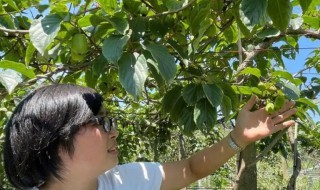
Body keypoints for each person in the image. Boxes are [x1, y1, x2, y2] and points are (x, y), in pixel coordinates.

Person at [3, 84, 297, 190]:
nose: (113, 130)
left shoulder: (128, 181)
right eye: (101, 122)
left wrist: (238, 138)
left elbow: (191, 169)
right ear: (53, 140)